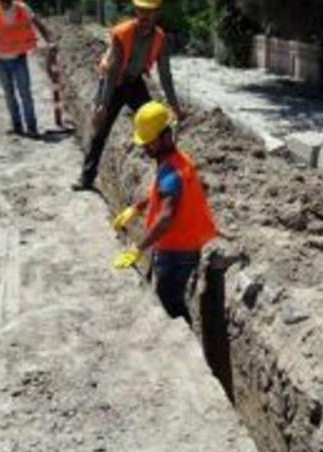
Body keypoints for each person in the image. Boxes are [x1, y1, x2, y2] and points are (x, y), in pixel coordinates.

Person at [112, 102, 216, 323]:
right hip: (182, 245)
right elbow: (163, 194)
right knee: (170, 299)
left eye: (149, 143)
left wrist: (138, 248)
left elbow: (167, 216)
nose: (145, 148)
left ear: (166, 136)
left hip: (177, 252)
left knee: (170, 305)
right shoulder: (175, 160)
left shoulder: (172, 173)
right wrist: (138, 208)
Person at [72, 0, 185, 191]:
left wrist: (174, 105)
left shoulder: (159, 38)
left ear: (157, 14)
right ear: (135, 11)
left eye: (149, 12)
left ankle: (167, 177)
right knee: (100, 130)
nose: (145, 16)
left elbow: (165, 75)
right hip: (112, 83)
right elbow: (113, 71)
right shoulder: (122, 33)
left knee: (156, 127)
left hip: (134, 83)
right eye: (141, 11)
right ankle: (86, 178)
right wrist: (103, 105)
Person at [0, 0, 56, 138]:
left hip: (19, 58)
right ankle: (17, 126)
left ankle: (32, 127)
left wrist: (49, 41)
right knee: (9, 94)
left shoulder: (22, 8)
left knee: (25, 94)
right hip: (1, 60)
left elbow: (38, 23)